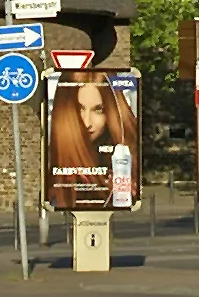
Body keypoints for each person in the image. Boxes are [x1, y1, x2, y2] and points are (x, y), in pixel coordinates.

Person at [47, 71, 140, 210]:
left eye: (98, 110)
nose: (87, 122)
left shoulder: (123, 156)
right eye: (80, 109)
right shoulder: (58, 171)